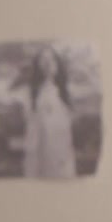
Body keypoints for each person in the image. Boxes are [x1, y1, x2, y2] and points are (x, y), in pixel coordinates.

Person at [24, 46, 77, 179]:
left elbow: (67, 126)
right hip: (40, 153)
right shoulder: (32, 94)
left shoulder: (64, 93)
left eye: (52, 59)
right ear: (38, 65)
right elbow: (31, 128)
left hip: (63, 154)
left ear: (57, 64)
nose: (48, 63)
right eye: (43, 59)